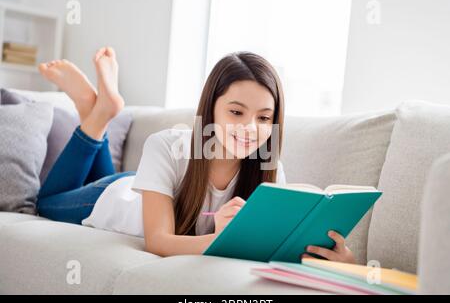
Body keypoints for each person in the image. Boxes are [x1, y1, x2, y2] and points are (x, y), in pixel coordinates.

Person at [37, 48, 356, 264]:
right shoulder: (166, 145)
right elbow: (158, 242)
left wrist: (334, 260)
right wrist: (223, 240)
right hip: (113, 199)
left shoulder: (270, 168)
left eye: (262, 118)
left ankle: (99, 112)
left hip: (147, 186)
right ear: (211, 108)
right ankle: (97, 114)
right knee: (45, 204)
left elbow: (274, 248)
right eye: (235, 111)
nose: (249, 127)